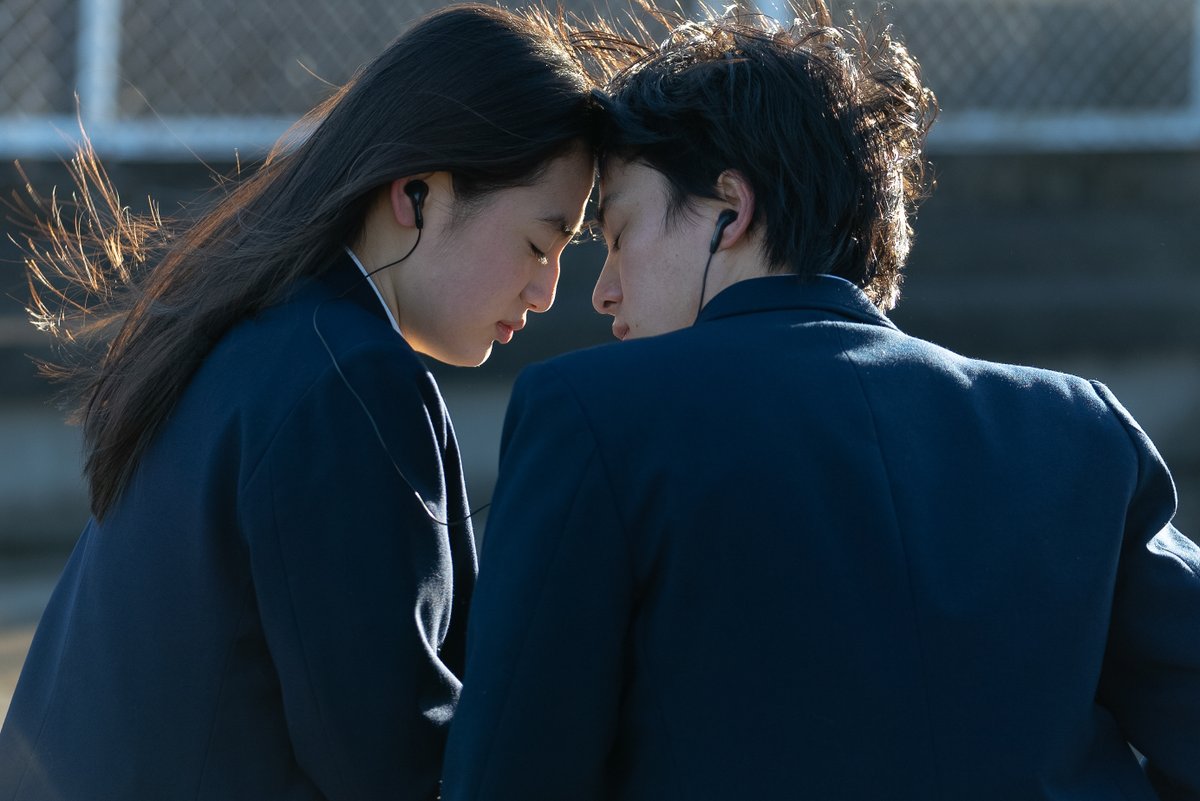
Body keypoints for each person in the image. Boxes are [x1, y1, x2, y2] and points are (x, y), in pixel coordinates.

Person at [439, 4, 1200, 800]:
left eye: (621, 232)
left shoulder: (592, 415)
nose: (603, 292)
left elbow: (508, 770)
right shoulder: (1076, 431)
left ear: (729, 211)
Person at [0, 5, 597, 799]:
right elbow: (391, 756)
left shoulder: (259, 334)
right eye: (538, 244)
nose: (548, 290)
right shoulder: (347, 382)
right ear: (418, 192)